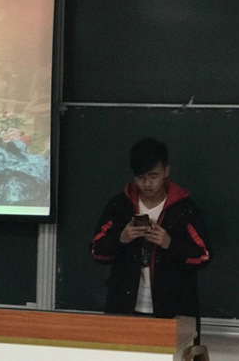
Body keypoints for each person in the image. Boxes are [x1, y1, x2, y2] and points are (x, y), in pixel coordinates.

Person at [90, 137, 211, 343]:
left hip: (174, 310)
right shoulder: (120, 206)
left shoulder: (184, 209)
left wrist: (169, 243)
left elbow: (204, 255)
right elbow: (96, 251)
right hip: (124, 308)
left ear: (166, 171)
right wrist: (121, 239)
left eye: (154, 176)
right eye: (141, 177)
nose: (147, 184)